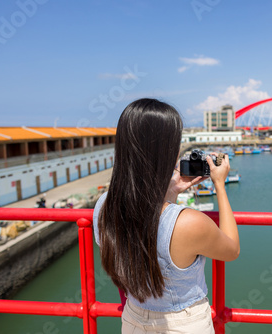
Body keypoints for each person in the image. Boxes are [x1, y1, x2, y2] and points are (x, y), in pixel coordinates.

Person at [93, 98, 240, 334]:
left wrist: (168, 193)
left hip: (132, 319)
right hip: (184, 324)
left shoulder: (103, 206)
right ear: (167, 152)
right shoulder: (189, 222)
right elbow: (231, 250)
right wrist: (220, 185)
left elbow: (150, 231)